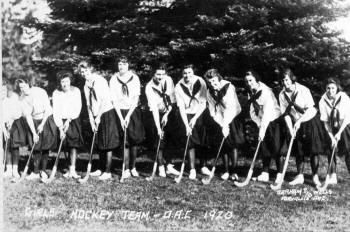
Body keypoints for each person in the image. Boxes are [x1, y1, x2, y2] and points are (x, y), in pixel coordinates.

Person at [279, 68, 324, 187]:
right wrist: (290, 129)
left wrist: (299, 121)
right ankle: (300, 176)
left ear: (292, 79)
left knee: (313, 150)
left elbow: (310, 109)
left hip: (310, 120)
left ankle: (315, 177)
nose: (285, 83)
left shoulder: (303, 90)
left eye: (287, 80)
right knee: (299, 150)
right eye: (283, 80)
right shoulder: (282, 95)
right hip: (295, 123)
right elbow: (286, 114)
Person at [79, 60, 120, 181]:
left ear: (91, 69)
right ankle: (100, 169)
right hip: (96, 115)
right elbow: (88, 105)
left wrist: (98, 117)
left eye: (86, 71)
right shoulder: (86, 85)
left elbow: (105, 101)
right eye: (82, 71)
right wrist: (92, 120)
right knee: (100, 141)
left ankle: (107, 171)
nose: (84, 73)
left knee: (107, 142)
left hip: (106, 112)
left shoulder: (100, 81)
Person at [204, 69, 245, 181]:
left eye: (214, 81)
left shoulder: (228, 87)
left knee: (232, 144)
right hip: (220, 119)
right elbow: (213, 110)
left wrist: (226, 124)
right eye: (210, 82)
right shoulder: (209, 92)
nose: (212, 84)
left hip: (233, 116)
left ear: (219, 78)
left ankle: (234, 171)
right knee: (223, 145)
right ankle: (226, 171)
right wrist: (221, 123)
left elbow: (231, 108)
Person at [244, 71, 285, 184]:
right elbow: (252, 111)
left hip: (273, 120)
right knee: (264, 147)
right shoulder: (250, 91)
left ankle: (280, 174)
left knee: (277, 148)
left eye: (251, 80)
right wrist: (258, 123)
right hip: (262, 122)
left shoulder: (266, 92)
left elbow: (267, 113)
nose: (249, 83)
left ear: (257, 80)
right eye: (247, 81)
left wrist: (262, 129)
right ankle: (265, 173)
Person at [109, 56, 145, 179]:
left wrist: (128, 116)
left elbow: (136, 99)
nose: (121, 66)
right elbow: (113, 99)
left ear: (128, 65)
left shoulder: (134, 78)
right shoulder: (114, 79)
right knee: (124, 141)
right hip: (119, 112)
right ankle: (125, 168)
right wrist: (120, 117)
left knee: (133, 140)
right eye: (119, 64)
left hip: (132, 111)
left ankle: (133, 167)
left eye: (124, 64)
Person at [16, 76, 58, 180]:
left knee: (45, 146)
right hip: (34, 121)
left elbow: (48, 109)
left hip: (46, 118)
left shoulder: (40, 92)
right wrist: (34, 133)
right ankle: (35, 171)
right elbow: (28, 116)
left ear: (28, 84)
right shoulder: (22, 98)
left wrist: (42, 124)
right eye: (20, 87)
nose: (23, 89)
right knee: (35, 146)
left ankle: (43, 171)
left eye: (24, 86)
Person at [174, 64, 210, 180]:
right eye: (185, 73)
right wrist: (186, 125)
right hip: (186, 114)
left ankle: (203, 166)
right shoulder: (178, 86)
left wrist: (195, 119)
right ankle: (192, 169)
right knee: (189, 141)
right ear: (182, 74)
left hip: (200, 112)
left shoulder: (200, 81)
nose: (187, 75)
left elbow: (203, 103)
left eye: (189, 72)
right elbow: (181, 109)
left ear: (193, 73)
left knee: (202, 140)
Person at [145, 64, 180, 177]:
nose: (160, 77)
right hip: (156, 115)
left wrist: (167, 114)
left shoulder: (168, 80)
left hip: (168, 112)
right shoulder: (149, 87)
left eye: (162, 74)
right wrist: (158, 128)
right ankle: (160, 167)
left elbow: (172, 99)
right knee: (159, 139)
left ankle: (169, 165)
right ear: (153, 74)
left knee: (170, 139)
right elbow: (154, 109)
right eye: (158, 74)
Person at [52, 70, 84, 179]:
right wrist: (60, 127)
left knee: (73, 145)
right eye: (62, 81)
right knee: (64, 144)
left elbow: (77, 107)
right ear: (60, 82)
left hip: (73, 120)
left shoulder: (76, 91)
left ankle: (73, 170)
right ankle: (68, 168)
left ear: (70, 81)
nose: (65, 84)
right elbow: (56, 110)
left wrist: (69, 120)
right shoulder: (56, 93)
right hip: (61, 121)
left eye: (67, 81)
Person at [319, 78, 350, 183]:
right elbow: (325, 122)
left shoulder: (344, 98)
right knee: (330, 149)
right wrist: (332, 136)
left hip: (345, 125)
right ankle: (333, 175)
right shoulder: (322, 101)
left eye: (333, 88)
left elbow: (347, 118)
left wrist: (340, 133)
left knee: (348, 150)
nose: (330, 90)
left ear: (337, 88)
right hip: (331, 127)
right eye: (328, 88)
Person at [2, 79, 26, 179]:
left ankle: (15, 170)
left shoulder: (14, 97)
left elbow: (17, 112)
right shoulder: (2, 101)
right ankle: (8, 169)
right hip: (5, 124)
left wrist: (11, 121)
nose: (2, 92)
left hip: (15, 123)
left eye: (4, 90)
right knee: (6, 146)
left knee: (14, 147)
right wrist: (4, 129)